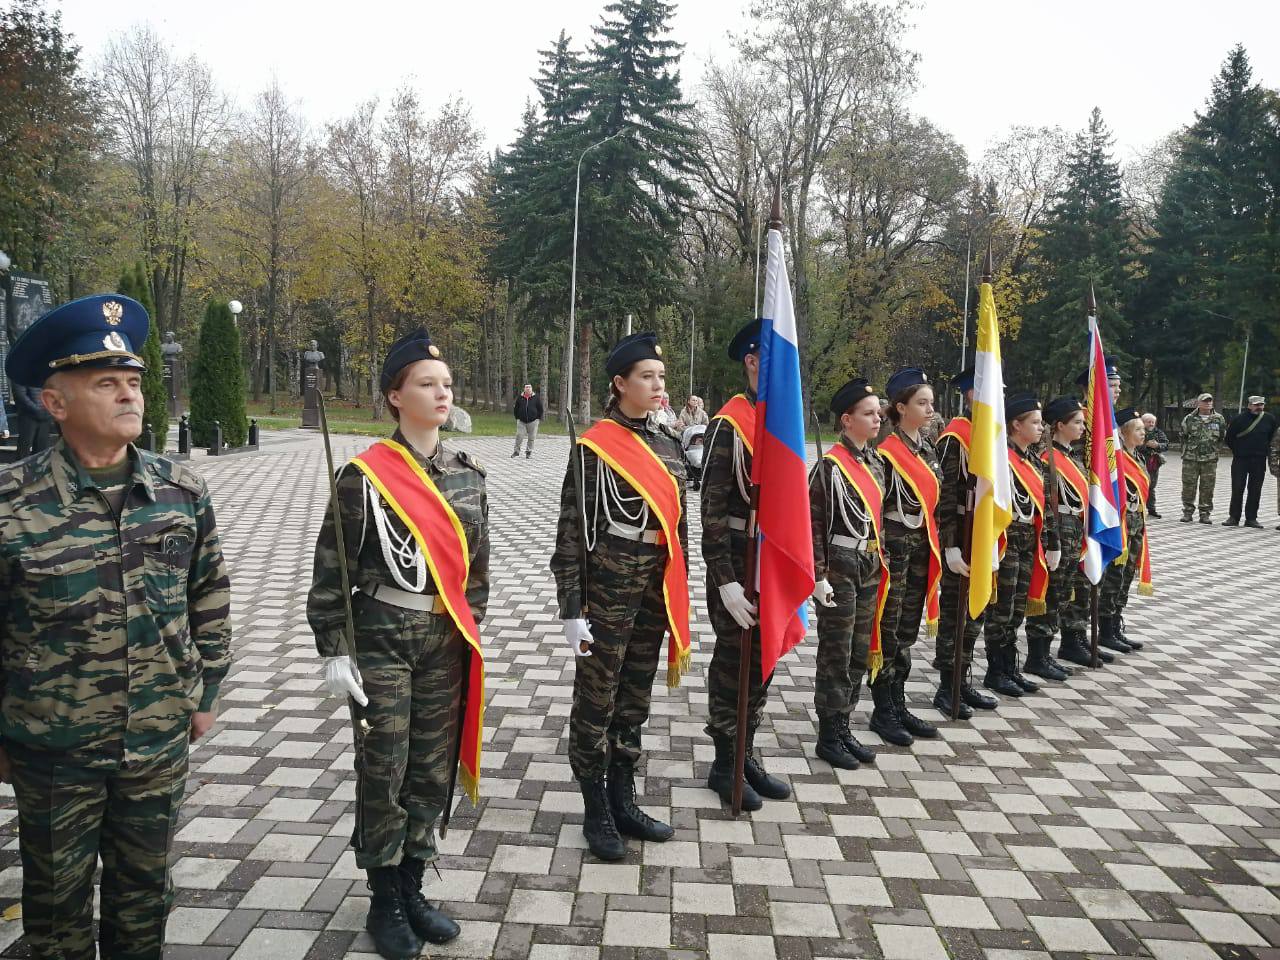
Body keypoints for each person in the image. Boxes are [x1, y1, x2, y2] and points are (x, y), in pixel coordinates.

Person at [0, 293, 232, 960]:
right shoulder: (13, 505)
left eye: (132, 381)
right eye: (106, 383)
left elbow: (209, 591)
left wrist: (205, 692)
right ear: (56, 402)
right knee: (55, 907)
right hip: (53, 748)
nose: (129, 395)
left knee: (144, 900)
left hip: (157, 737)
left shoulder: (180, 492)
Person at [308, 327, 488, 958]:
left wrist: (471, 626)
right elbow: (331, 572)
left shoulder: (469, 476)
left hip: (444, 639)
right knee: (383, 767)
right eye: (425, 384)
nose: (441, 394)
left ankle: (413, 884)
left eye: (445, 384)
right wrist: (334, 648)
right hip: (382, 638)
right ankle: (383, 898)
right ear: (394, 396)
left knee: (430, 768)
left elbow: (479, 573)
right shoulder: (362, 478)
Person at [550, 332, 688, 860]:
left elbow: (678, 526)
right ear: (620, 383)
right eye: (647, 376)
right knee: (597, 697)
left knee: (635, 694)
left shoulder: (670, 445)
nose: (658, 385)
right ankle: (594, 807)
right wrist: (571, 606)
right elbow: (570, 532)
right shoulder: (594, 448)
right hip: (606, 587)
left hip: (655, 585)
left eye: (660, 376)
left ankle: (622, 794)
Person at [700, 320, 790, 809]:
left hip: (772, 562)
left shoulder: (780, 421)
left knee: (764, 659)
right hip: (738, 560)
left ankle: (746, 752)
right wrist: (725, 581)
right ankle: (724, 761)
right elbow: (711, 511)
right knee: (735, 660)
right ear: (752, 362)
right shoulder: (728, 425)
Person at [808, 377, 884, 769]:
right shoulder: (829, 467)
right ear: (846, 419)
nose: (877, 419)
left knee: (858, 651)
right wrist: (817, 575)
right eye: (868, 414)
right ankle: (828, 734)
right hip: (839, 566)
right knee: (836, 654)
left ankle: (844, 725)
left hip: (869, 565)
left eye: (877, 413)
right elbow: (813, 524)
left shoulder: (875, 462)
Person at [869, 368, 941, 747]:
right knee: (889, 630)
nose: (931, 409)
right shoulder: (886, 454)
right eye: (923, 403)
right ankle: (883, 710)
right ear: (901, 408)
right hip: (895, 555)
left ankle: (898, 702)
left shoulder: (927, 449)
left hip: (920, 553)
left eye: (931, 402)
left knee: (908, 631)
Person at [932, 367, 999, 719]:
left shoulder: (988, 433)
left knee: (975, 614)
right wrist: (950, 545)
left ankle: (964, 679)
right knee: (956, 614)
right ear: (973, 394)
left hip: (983, 534)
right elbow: (947, 495)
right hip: (961, 535)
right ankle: (948, 685)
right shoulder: (957, 437)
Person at [983, 394, 1059, 697]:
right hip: (1007, 543)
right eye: (1035, 422)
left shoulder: (1031, 460)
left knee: (1016, 610)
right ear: (1016, 424)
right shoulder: (1002, 460)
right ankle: (995, 671)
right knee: (1001, 610)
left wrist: (1050, 540)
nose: (1041, 428)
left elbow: (1044, 504)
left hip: (1028, 542)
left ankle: (1009, 667)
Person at [1025, 397, 1091, 673]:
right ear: (1060, 425)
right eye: (1077, 422)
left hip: (1073, 531)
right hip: (1057, 533)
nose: (1083, 427)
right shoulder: (1046, 458)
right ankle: (1037, 657)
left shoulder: (1071, 457)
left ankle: (1053, 649)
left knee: (1064, 591)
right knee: (1050, 592)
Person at [1099, 408, 1154, 650]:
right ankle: (1105, 631)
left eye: (1144, 429)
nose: (1143, 433)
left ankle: (1114, 624)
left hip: (1136, 526)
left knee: (1126, 578)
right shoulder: (1117, 460)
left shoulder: (1138, 458)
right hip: (1120, 526)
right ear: (1123, 432)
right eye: (1139, 429)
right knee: (1113, 579)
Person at [1224, 396, 1277, 529]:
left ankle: (1251, 518)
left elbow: (1272, 437)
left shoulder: (1269, 419)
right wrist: (1238, 451)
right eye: (1256, 405)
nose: (1259, 407)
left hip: (1259, 460)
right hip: (1241, 459)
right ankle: (1234, 517)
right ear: (1249, 405)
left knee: (1255, 490)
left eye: (1261, 404)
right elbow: (1229, 437)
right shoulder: (1239, 419)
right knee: (1237, 488)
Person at [1180, 393, 1227, 524]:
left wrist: (1216, 451)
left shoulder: (1219, 419)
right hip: (1191, 459)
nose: (1208, 403)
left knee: (1207, 487)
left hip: (1210, 460)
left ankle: (1204, 514)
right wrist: (1186, 451)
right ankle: (1188, 512)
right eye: (1205, 401)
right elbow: (1183, 436)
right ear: (1198, 403)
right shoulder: (1189, 418)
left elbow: (1222, 437)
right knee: (1189, 486)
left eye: (1210, 401)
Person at [14, 380, 54, 456]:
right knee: (24, 448)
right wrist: (37, 409)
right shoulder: (20, 374)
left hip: (45, 416)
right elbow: (20, 395)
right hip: (28, 416)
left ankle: (39, 467)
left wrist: (48, 409)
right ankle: (22, 467)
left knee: (42, 448)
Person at [1140, 413, 1169, 517]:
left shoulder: (1158, 432)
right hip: (1140, 462)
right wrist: (1145, 445)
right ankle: (1139, 509)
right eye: (1149, 422)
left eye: (1153, 422)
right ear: (1143, 422)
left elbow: (1166, 445)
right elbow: (1131, 444)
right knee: (1139, 486)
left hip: (1153, 464)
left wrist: (1157, 445)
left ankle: (1152, 509)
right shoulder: (1138, 430)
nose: (1151, 424)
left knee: (1151, 487)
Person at [512, 383, 543, 459]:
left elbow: (540, 409)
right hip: (521, 421)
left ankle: (528, 452)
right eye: (526, 387)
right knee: (519, 436)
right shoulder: (520, 397)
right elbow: (516, 408)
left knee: (531, 437)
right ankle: (516, 451)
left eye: (529, 387)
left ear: (531, 389)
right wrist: (517, 417)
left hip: (533, 421)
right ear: (524, 389)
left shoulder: (536, 397)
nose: (528, 388)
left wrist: (537, 418)